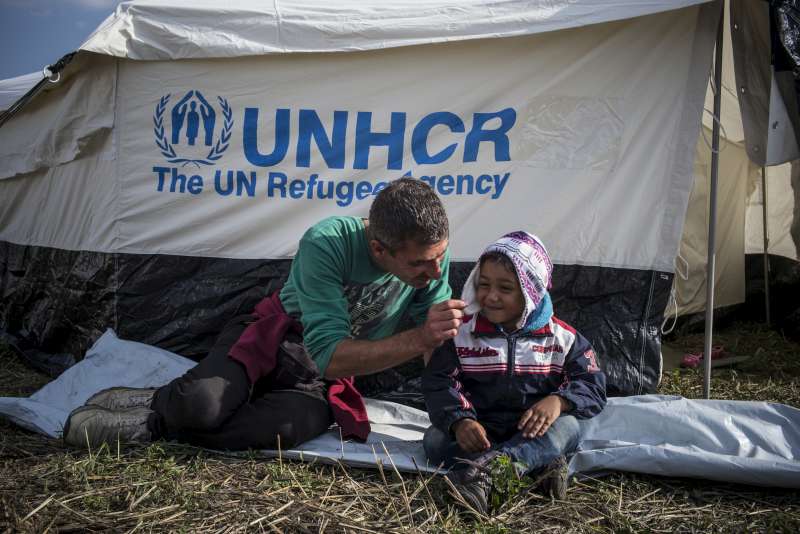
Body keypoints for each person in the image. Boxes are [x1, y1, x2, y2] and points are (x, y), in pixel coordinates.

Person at [64, 178, 466, 451]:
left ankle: (155, 425)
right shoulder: (328, 241)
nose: (434, 272)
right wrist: (419, 338)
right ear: (379, 249)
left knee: (282, 430)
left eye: (440, 258)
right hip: (275, 339)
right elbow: (331, 353)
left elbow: (433, 342)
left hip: (319, 377)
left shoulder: (431, 257)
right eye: (420, 264)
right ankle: (165, 400)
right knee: (204, 405)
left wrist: (452, 416)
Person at [422, 231, 606, 513]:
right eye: (483, 285)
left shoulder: (563, 339)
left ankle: (488, 477)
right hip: (484, 431)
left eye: (505, 288)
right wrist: (460, 421)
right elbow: (439, 381)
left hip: (535, 432)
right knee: (434, 440)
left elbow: (592, 384)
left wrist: (559, 401)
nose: (491, 296)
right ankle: (535, 467)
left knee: (568, 428)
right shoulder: (461, 335)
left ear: (531, 291)